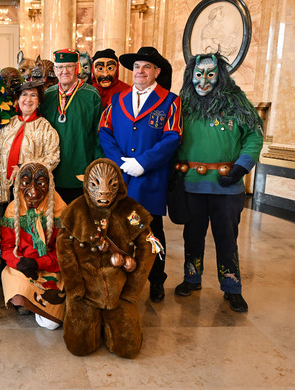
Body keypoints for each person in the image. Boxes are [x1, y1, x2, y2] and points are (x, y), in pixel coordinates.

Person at [174, 53, 263, 312]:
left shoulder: (237, 102)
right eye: (198, 74)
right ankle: (192, 278)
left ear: (220, 75)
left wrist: (241, 167)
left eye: (210, 74)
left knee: (226, 238)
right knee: (192, 236)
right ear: (190, 75)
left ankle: (232, 286)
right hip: (191, 185)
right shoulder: (183, 104)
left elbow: (254, 137)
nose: (203, 81)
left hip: (227, 186)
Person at [98, 46, 182, 303]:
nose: (140, 71)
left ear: (156, 71)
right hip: (121, 180)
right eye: (136, 67)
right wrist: (119, 162)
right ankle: (120, 276)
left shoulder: (171, 100)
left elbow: (173, 137)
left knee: (151, 232)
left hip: (150, 180)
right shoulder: (117, 100)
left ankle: (156, 280)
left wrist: (143, 163)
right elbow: (104, 131)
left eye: (146, 67)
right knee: (119, 230)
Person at [57, 158, 159, 358]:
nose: (103, 193)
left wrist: (131, 292)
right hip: (84, 293)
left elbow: (149, 247)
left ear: (119, 185)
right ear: (87, 184)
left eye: (111, 186)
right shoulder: (76, 210)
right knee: (78, 346)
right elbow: (64, 250)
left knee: (128, 349)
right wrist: (75, 289)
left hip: (119, 293)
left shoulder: (131, 211)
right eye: (95, 185)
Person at [0, 161, 67, 329]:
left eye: (40, 184)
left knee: (51, 324)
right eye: (26, 183)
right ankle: (28, 301)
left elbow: (64, 252)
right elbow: (7, 248)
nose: (33, 191)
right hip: (22, 268)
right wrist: (18, 263)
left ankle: (36, 305)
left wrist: (40, 263)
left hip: (50, 267)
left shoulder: (61, 211)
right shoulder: (12, 210)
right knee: (18, 295)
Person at [41, 48, 104, 204]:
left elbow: (99, 136)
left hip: (81, 172)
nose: (64, 71)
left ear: (77, 68)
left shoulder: (91, 95)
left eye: (69, 66)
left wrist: (98, 169)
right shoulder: (47, 95)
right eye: (60, 67)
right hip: (52, 174)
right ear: (55, 70)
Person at [0, 80, 60, 204]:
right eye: (24, 94)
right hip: (6, 189)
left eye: (33, 95)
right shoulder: (8, 124)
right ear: (18, 99)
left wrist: (26, 168)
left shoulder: (46, 128)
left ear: (39, 102)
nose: (28, 99)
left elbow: (53, 158)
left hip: (31, 190)